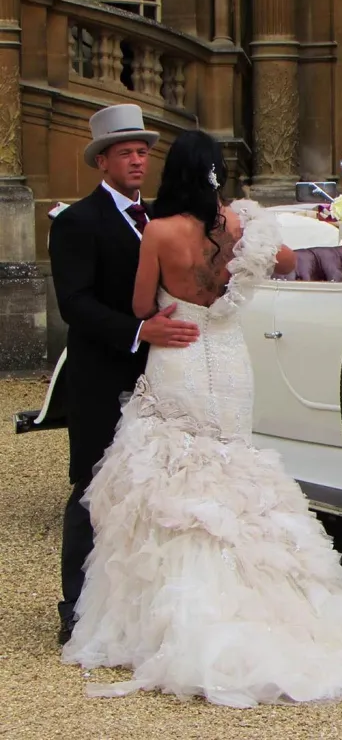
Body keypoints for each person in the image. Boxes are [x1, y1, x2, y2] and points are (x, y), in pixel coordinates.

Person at [60, 130, 342, 707]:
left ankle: (177, 611)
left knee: (178, 475)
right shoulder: (237, 227)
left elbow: (137, 308)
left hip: (178, 355)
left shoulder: (158, 231)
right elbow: (283, 261)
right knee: (232, 463)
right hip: (229, 364)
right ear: (214, 176)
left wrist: (165, 306)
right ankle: (267, 598)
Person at [49, 104, 202, 646]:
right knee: (93, 486)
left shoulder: (162, 218)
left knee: (153, 488)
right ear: (102, 161)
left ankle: (139, 610)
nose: (138, 160)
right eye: (126, 153)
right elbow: (76, 304)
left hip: (163, 377)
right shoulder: (76, 222)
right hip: (99, 375)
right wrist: (139, 333)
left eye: (143, 152)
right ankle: (75, 607)